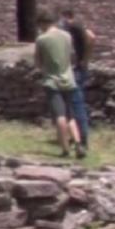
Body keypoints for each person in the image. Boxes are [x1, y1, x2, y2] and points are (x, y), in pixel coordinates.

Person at [35, 10, 85, 159]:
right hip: (69, 79)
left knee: (60, 115)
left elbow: (38, 62)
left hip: (52, 81)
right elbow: (72, 56)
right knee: (71, 115)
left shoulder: (42, 39)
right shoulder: (67, 36)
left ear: (43, 23)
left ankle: (65, 148)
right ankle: (78, 143)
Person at [60, 9, 96, 149]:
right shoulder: (78, 26)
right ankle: (77, 137)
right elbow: (91, 38)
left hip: (74, 69)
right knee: (74, 104)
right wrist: (86, 59)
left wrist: (84, 59)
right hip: (79, 67)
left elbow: (92, 37)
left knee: (75, 104)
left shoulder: (72, 27)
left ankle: (82, 140)